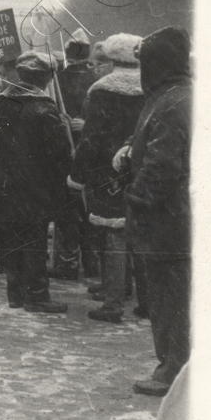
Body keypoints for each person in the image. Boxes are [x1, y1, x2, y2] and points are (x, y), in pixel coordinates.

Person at [116, 26, 191, 397]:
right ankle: (177, 365)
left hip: (167, 221)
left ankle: (172, 369)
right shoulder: (173, 96)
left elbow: (163, 167)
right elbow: (152, 142)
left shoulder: (171, 102)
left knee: (169, 299)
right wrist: (131, 148)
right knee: (173, 296)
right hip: (176, 219)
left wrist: (135, 198)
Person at [69, 34, 146, 324]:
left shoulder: (100, 90)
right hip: (139, 167)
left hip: (106, 171)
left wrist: (77, 174)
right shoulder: (150, 87)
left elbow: (92, 138)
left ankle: (113, 301)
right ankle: (143, 300)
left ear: (111, 60)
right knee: (136, 232)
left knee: (112, 233)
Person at [0, 51, 71, 314]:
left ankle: (15, 293)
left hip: (5, 185)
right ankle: (37, 295)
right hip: (36, 188)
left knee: (12, 239)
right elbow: (60, 154)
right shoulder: (45, 109)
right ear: (46, 79)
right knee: (34, 241)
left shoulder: (0, 104)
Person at [52, 29, 101, 280]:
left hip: (75, 150)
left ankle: (67, 263)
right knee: (85, 209)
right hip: (83, 151)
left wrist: (77, 124)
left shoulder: (59, 79)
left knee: (70, 210)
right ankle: (91, 264)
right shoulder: (97, 79)